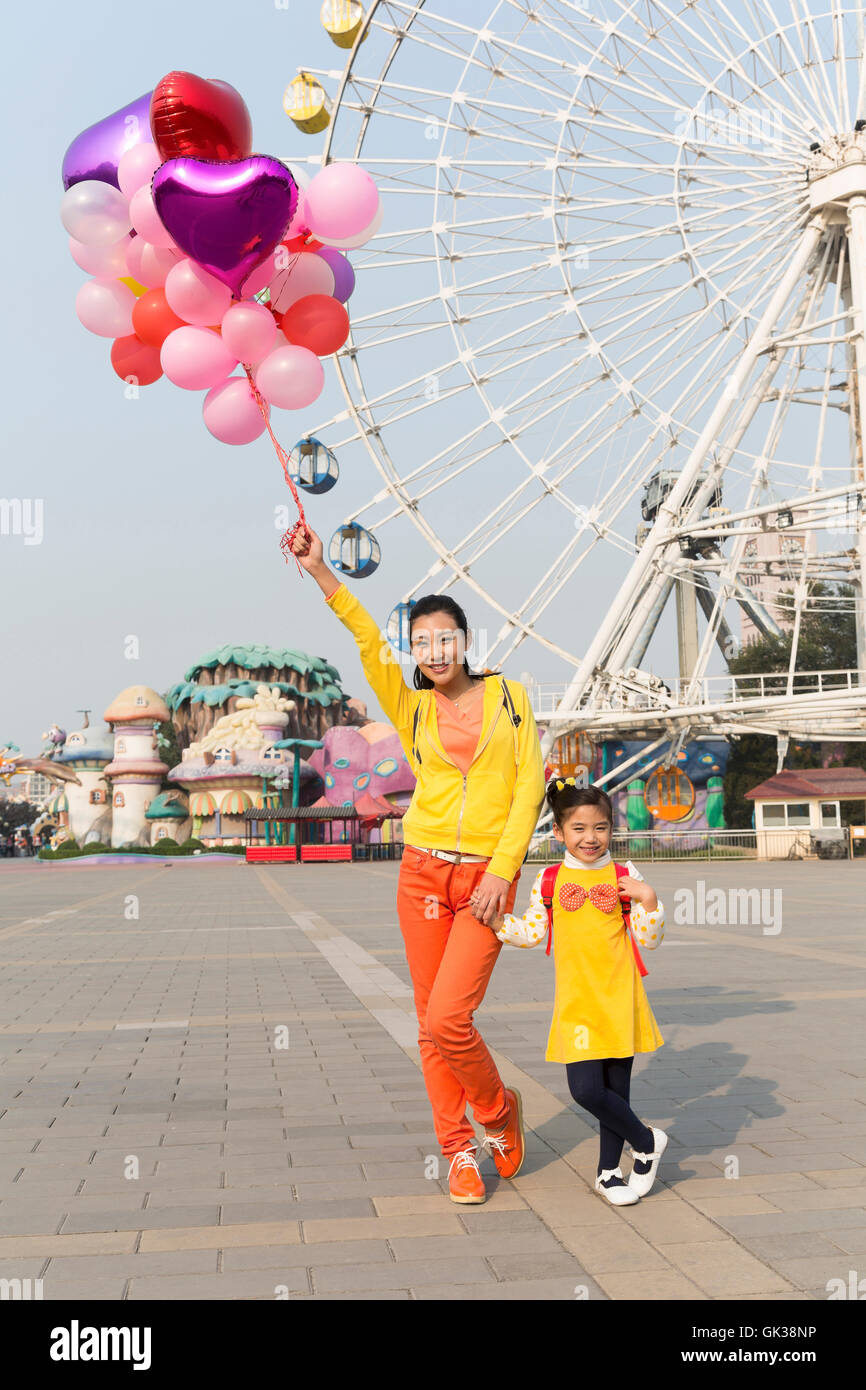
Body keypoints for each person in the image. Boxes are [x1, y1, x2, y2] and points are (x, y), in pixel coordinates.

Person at [290, 523, 546, 1204]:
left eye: (445, 638)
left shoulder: (513, 700)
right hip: (424, 872)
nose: (434, 651)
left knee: (447, 1021)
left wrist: (502, 869)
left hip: (486, 879)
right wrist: (322, 573)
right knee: (429, 1020)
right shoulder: (409, 707)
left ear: (465, 642)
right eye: (422, 642)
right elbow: (367, 641)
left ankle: (495, 1112)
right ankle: (458, 1150)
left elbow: (529, 787)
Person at [489, 779, 668, 1206]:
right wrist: (496, 923)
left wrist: (649, 899)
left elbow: (650, 939)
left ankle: (609, 1174)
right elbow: (533, 931)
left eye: (601, 828)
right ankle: (646, 1142)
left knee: (616, 1092)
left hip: (620, 998)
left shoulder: (625, 874)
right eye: (580, 829)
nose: (591, 838)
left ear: (611, 829)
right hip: (577, 1003)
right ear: (559, 832)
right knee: (586, 1090)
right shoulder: (549, 880)